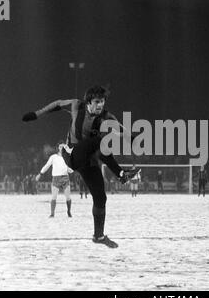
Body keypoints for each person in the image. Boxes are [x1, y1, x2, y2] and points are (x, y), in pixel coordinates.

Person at [22, 84, 140, 248]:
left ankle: (98, 236)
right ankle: (121, 174)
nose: (101, 105)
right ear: (89, 101)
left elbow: (118, 127)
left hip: (87, 160)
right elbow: (57, 104)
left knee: (101, 197)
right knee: (100, 141)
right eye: (97, 101)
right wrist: (36, 114)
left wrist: (131, 137)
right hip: (71, 154)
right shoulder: (77, 105)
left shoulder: (107, 117)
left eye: (103, 102)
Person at [36, 141, 74, 218]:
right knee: (54, 197)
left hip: (65, 178)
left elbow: (71, 167)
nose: (62, 148)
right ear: (57, 148)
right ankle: (52, 213)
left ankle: (69, 211)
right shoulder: (53, 157)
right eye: (60, 147)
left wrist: (70, 169)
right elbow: (47, 166)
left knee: (68, 197)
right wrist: (40, 174)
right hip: (56, 178)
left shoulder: (67, 157)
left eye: (63, 147)